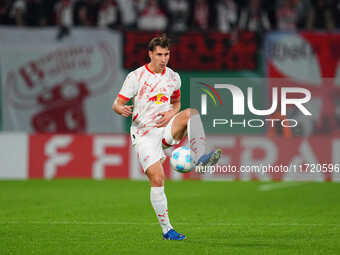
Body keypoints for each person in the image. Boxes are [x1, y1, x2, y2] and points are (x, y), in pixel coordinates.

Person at [112, 34, 221, 240]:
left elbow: (177, 104)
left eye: (167, 54)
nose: (164, 59)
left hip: (165, 128)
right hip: (144, 133)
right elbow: (116, 103)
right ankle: (167, 230)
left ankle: (200, 157)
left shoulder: (174, 77)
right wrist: (121, 110)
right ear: (150, 54)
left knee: (191, 114)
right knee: (157, 178)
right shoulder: (136, 77)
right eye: (160, 54)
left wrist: (171, 113)